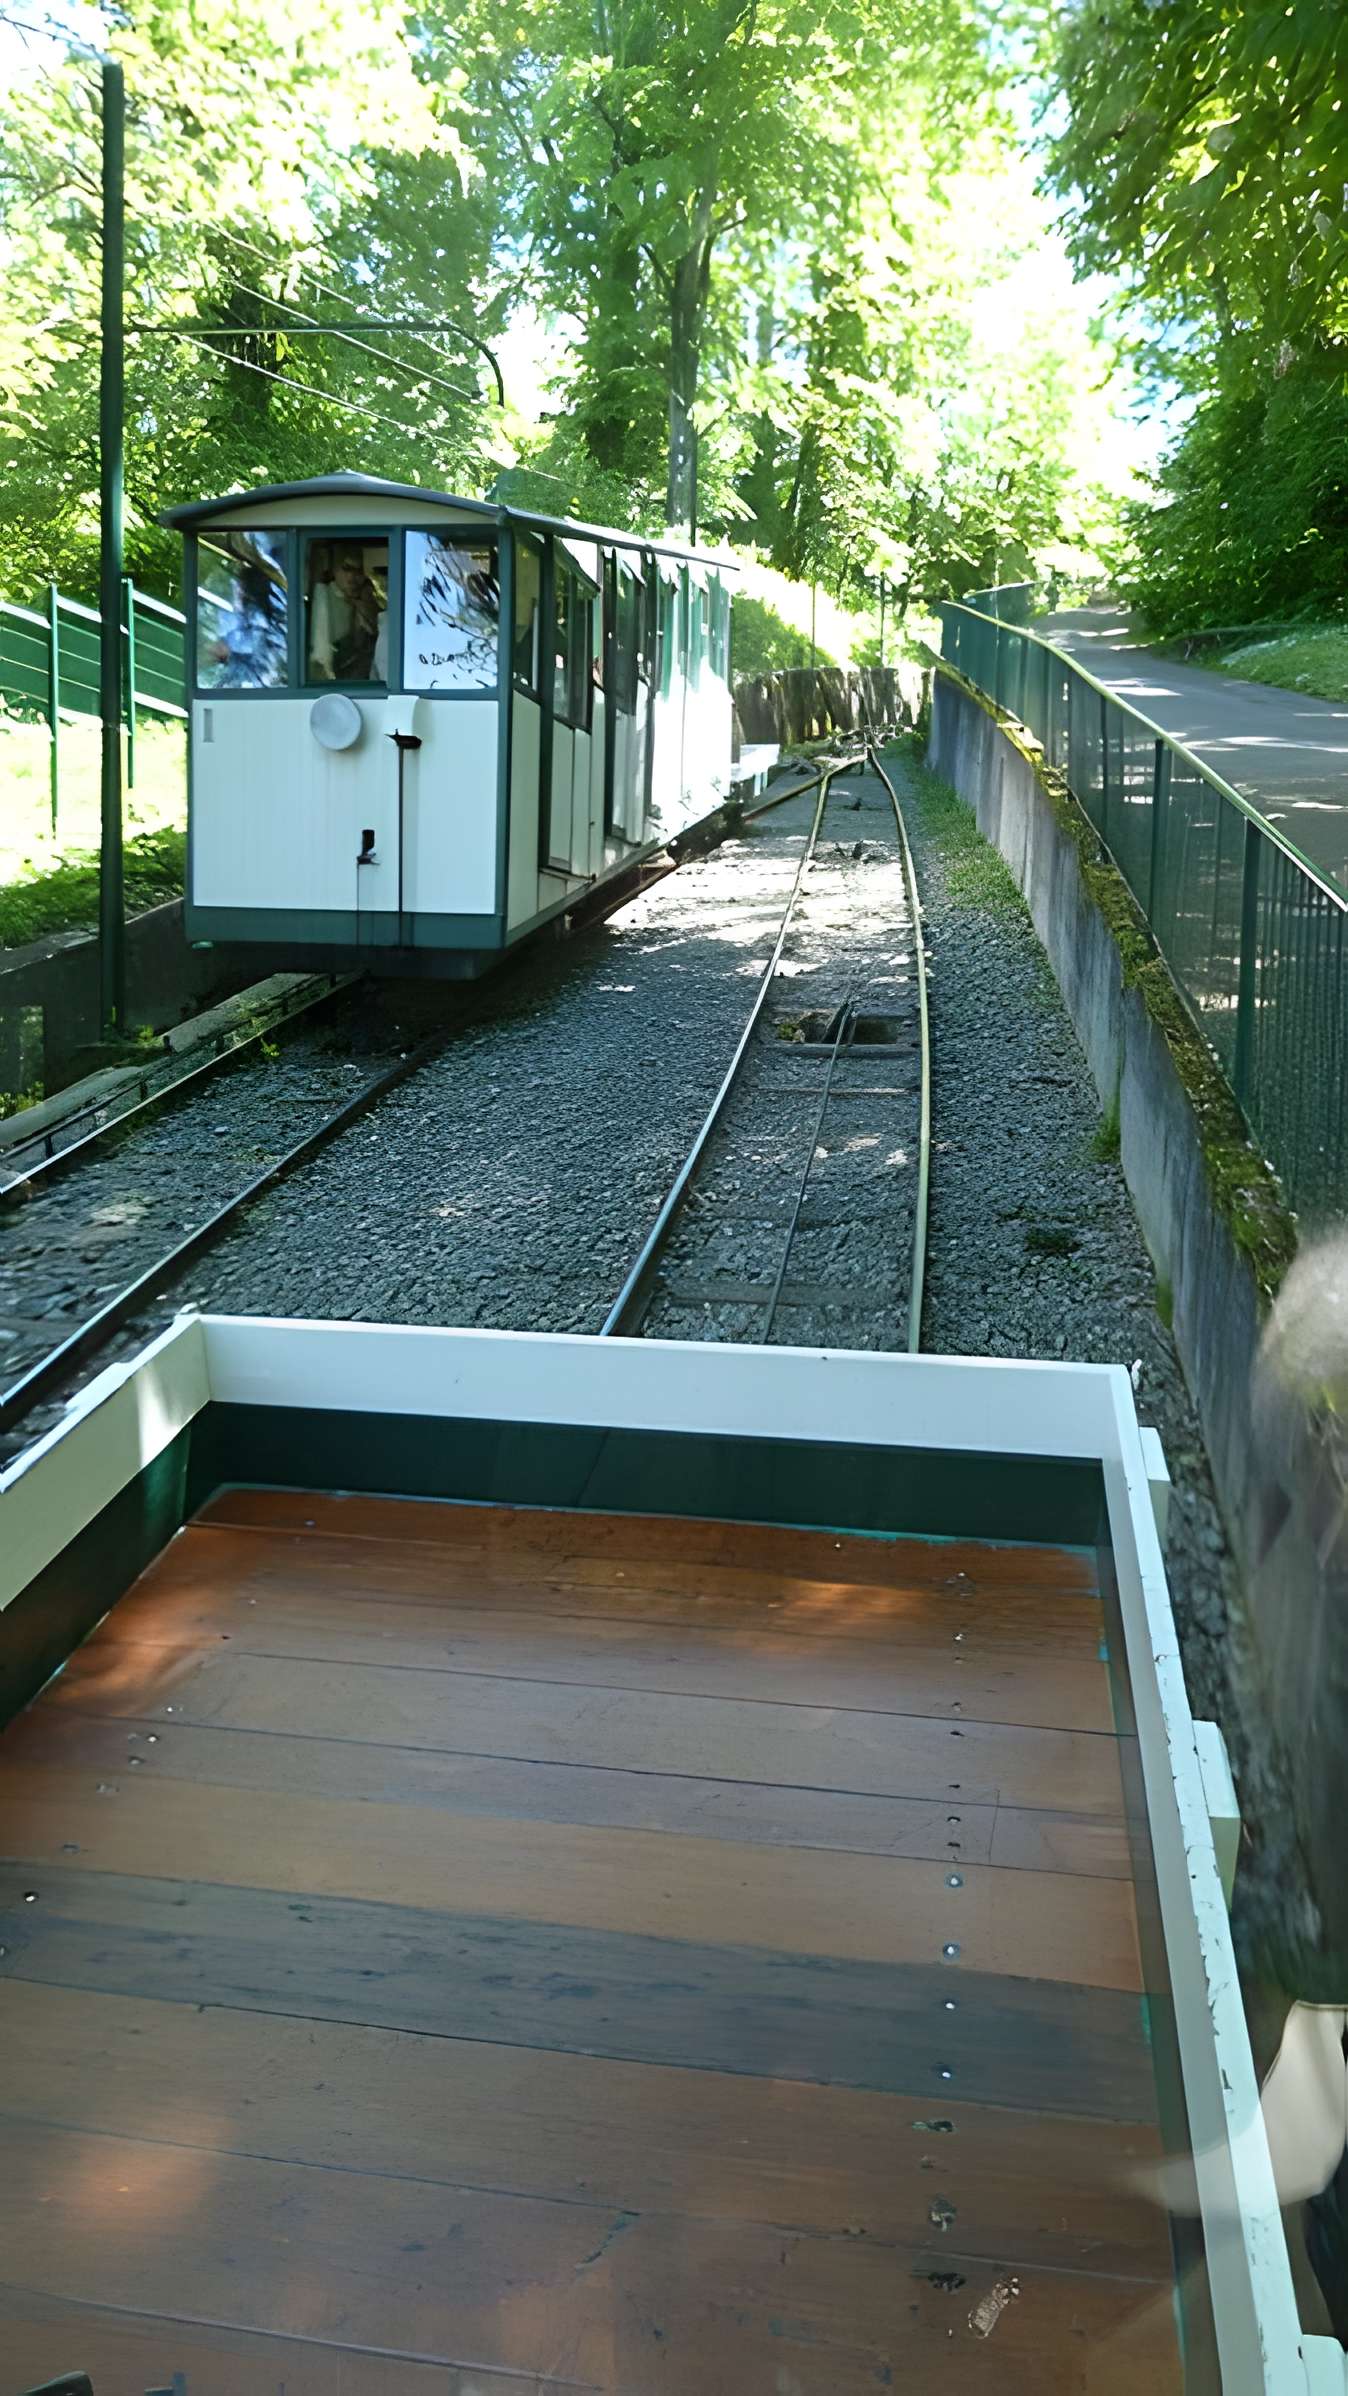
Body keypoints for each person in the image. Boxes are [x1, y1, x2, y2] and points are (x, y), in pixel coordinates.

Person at [205, 555, 287, 688]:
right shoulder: (250, 617)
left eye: (239, 586)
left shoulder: (257, 618)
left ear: (247, 590)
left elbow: (251, 647)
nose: (236, 590)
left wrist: (227, 648)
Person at [309, 547, 384, 683]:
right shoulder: (324, 598)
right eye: (346, 568)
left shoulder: (367, 601)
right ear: (335, 570)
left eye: (358, 571)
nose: (352, 577)